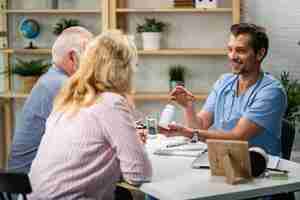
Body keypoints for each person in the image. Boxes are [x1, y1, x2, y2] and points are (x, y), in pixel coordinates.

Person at [27, 30, 152, 200]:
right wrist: (134, 144)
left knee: (124, 195)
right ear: (124, 69)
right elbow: (138, 175)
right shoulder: (111, 103)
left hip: (34, 196)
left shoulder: (68, 99)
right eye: (134, 65)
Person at [163, 23, 287, 156]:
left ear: (260, 54)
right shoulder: (224, 81)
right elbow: (201, 125)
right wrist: (188, 107)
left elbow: (238, 137)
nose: (232, 56)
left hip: (260, 169)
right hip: (224, 160)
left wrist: (186, 132)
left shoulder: (271, 91)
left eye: (240, 51)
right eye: (230, 49)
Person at [7, 26, 94, 174]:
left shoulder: (51, 79)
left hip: (24, 182)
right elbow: (90, 135)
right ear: (72, 57)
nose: (93, 64)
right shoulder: (61, 85)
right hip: (32, 187)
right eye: (91, 56)